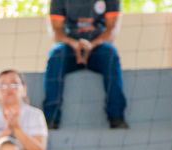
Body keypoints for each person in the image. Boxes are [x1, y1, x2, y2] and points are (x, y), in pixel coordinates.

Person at [43, 0, 128, 129]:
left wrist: (91, 45)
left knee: (111, 54)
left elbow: (112, 30)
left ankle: (116, 117)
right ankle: (51, 119)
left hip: (98, 47)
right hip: (69, 47)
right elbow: (56, 31)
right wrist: (74, 44)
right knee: (55, 55)